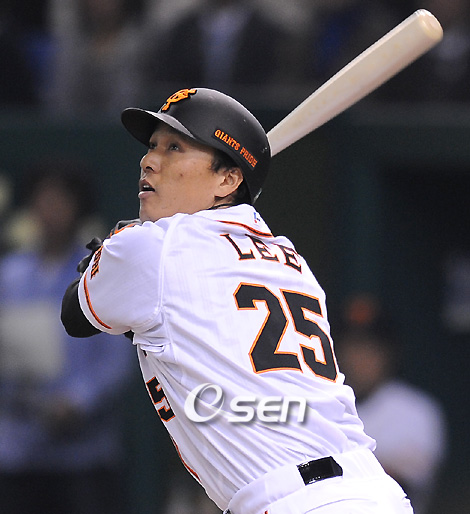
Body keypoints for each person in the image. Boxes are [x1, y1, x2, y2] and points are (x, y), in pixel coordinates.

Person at [61, 87, 414, 513]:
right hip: (373, 492)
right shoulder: (290, 259)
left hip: (293, 501)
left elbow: (74, 315)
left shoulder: (153, 248)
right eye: (152, 145)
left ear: (228, 180)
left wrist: (109, 251)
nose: (149, 160)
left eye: (175, 148)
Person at [0, 163, 134, 514]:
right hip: (17, 453)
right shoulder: (10, 275)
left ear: (78, 207)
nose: (50, 211)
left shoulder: (97, 274)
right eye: (43, 200)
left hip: (83, 457)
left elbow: (116, 359)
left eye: (60, 201)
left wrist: (77, 401)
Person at [334, 294, 448, 514]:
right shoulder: (319, 407)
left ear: (388, 354)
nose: (359, 358)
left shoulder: (416, 411)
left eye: (370, 349)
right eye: (352, 347)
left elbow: (399, 486)